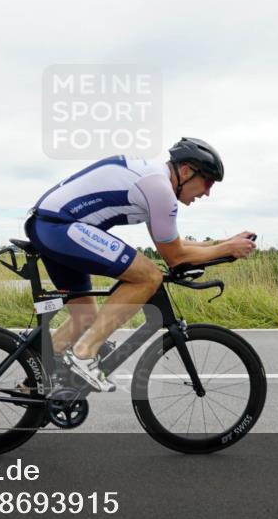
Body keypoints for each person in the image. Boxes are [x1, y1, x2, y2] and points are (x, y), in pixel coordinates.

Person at [23, 137, 257, 392]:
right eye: (208, 182)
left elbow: (174, 245)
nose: (207, 192)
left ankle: (34, 384)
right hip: (59, 226)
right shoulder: (159, 189)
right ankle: (83, 354)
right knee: (148, 276)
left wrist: (224, 243)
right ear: (187, 171)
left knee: (86, 317)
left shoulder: (155, 182)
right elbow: (175, 258)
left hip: (52, 227)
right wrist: (225, 249)